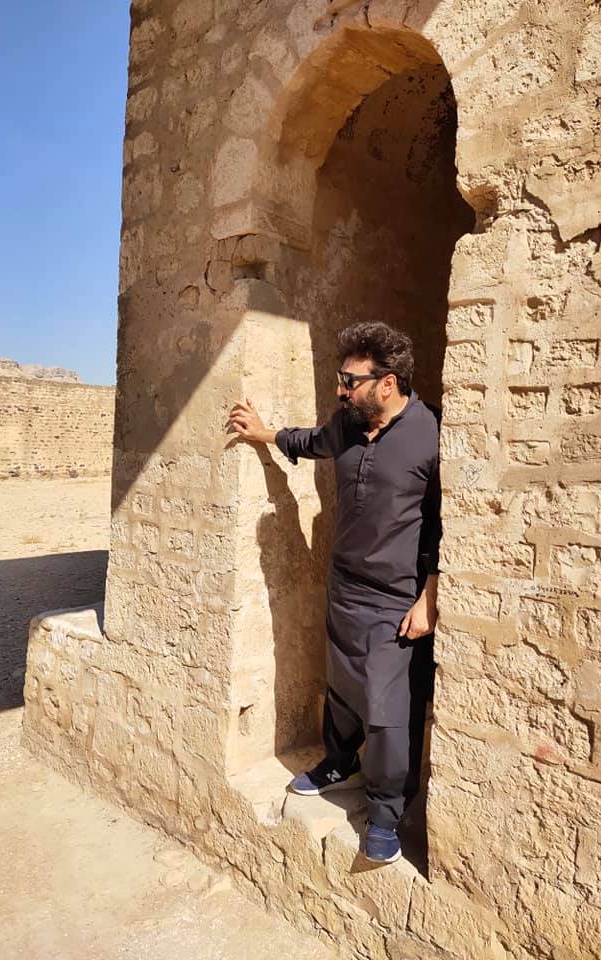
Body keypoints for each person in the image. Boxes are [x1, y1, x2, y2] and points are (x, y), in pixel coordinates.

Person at [229, 321, 440, 864]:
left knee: (390, 711)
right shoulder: (348, 424)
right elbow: (312, 442)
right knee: (344, 687)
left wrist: (429, 598)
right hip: (344, 585)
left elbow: (442, 524)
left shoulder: (431, 434)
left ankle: (387, 810)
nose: (340, 390)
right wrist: (265, 434)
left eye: (350, 380)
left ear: (387, 383)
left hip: (397, 598)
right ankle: (339, 760)